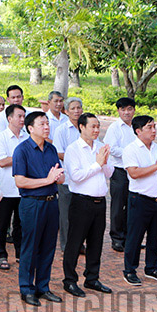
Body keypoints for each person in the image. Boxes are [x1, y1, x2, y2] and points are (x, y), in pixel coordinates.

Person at [13, 110, 64, 306]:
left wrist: (58, 178)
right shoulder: (22, 150)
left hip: (52, 201)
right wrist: (47, 180)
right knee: (31, 246)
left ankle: (43, 287)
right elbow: (20, 181)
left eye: (47, 123)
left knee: (48, 246)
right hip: (32, 203)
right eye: (42, 124)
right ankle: (26, 288)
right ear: (30, 128)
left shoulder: (51, 149)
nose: (46, 127)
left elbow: (60, 177)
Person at [62, 112, 113, 297]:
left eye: (98, 126)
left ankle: (92, 278)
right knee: (75, 242)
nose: (96, 130)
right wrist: (97, 164)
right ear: (81, 127)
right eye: (93, 126)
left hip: (100, 202)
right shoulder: (73, 149)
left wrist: (104, 163)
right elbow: (75, 176)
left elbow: (109, 173)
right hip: (81, 201)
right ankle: (69, 280)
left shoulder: (101, 147)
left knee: (96, 242)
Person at [123, 115, 157, 286]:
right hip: (140, 199)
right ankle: (130, 270)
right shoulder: (131, 149)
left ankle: (152, 268)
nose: (154, 131)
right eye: (149, 127)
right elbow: (134, 173)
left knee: (155, 236)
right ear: (138, 131)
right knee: (135, 237)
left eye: (154, 127)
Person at [0, 104, 25, 270]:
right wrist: (21, 156)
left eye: (23, 116)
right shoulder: (1, 138)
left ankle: (20, 253)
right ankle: (1, 255)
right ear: (9, 118)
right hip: (5, 189)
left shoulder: (27, 137)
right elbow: (2, 161)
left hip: (22, 189)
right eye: (19, 116)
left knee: (20, 224)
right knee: (2, 224)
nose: (22, 120)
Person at [103, 97, 137, 252]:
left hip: (135, 172)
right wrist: (131, 153)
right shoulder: (114, 128)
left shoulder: (137, 126)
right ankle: (117, 238)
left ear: (134, 110)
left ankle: (130, 238)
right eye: (123, 109)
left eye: (129, 109)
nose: (126, 112)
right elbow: (111, 148)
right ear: (118, 111)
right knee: (118, 206)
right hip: (119, 171)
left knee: (133, 205)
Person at [53, 96, 84, 250]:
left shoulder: (86, 127)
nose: (76, 111)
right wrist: (78, 158)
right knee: (65, 215)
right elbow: (58, 152)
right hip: (67, 179)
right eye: (72, 108)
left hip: (84, 179)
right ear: (66, 111)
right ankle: (67, 245)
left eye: (79, 107)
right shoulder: (61, 130)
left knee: (81, 214)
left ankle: (79, 244)